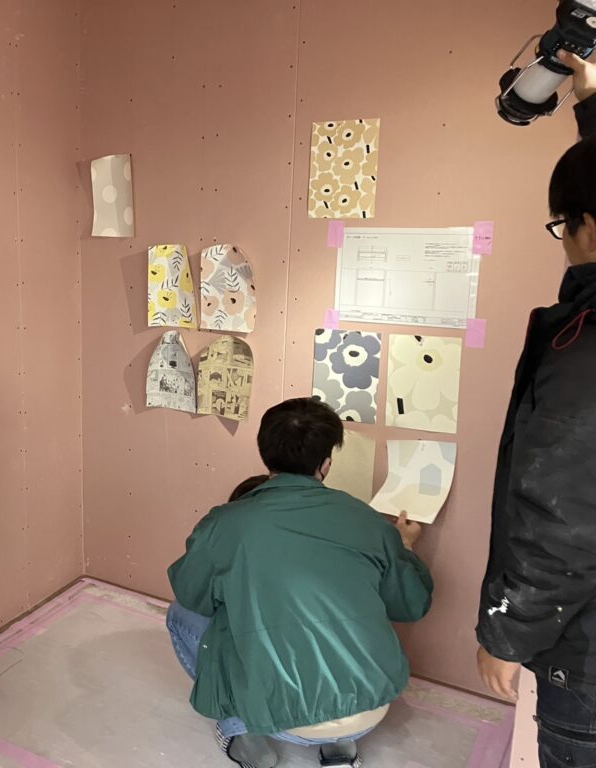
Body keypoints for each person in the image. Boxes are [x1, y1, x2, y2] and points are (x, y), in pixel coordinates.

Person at [167, 398, 433, 768]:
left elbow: (191, 594)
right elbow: (411, 604)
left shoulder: (226, 523)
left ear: (265, 455)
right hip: (371, 707)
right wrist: (404, 545)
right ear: (326, 463)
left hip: (284, 720)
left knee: (182, 614)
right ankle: (340, 750)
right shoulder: (369, 522)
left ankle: (245, 737)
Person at [476, 51, 596, 766]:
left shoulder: (585, 354)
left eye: (563, 226)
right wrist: (590, 104)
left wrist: (505, 633)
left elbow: (561, 519)